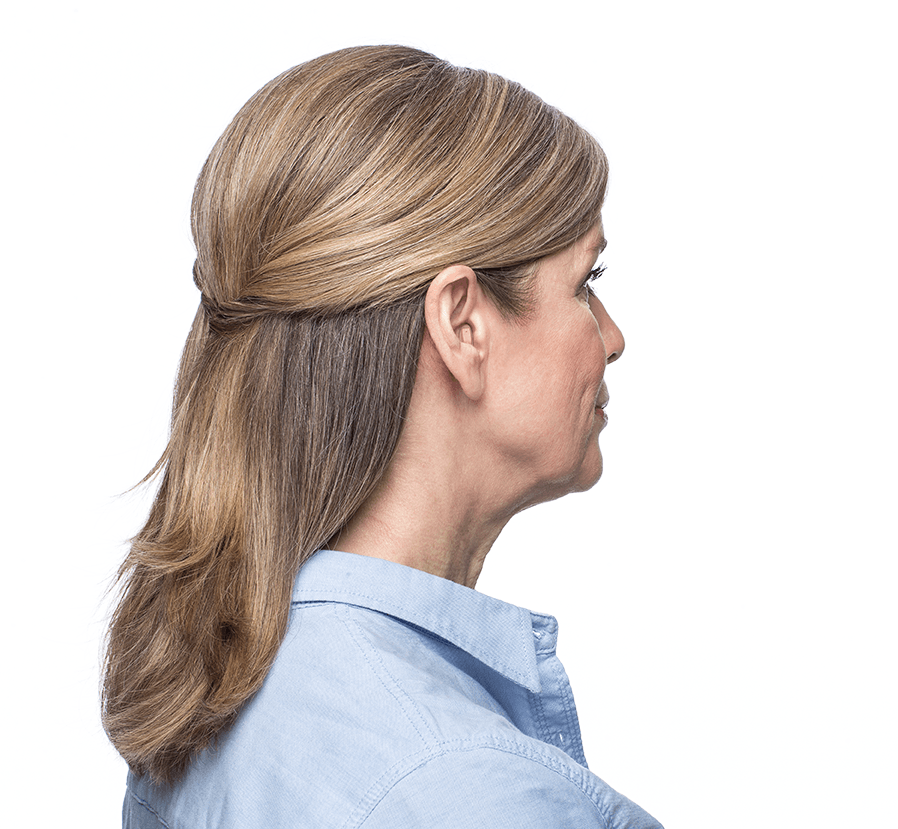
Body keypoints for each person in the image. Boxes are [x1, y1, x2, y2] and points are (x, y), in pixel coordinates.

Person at [102, 45, 662, 828]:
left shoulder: (237, 693)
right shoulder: (462, 789)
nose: (613, 337)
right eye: (586, 284)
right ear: (462, 322)